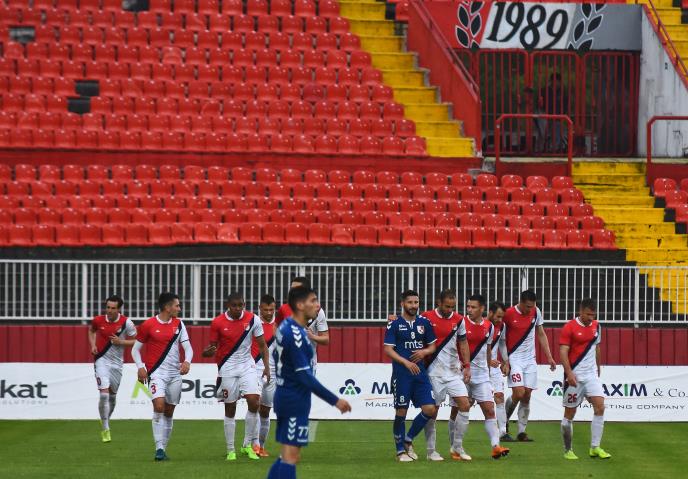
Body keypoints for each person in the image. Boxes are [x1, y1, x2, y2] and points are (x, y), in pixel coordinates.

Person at [266, 286, 351, 479]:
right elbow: (305, 376)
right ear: (300, 305)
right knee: (290, 456)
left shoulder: (287, 326)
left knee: (288, 455)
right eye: (313, 300)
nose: (317, 305)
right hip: (293, 400)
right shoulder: (296, 335)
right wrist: (335, 400)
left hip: (289, 397)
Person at [202, 292, 270, 461]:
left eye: (241, 305)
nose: (238, 308)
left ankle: (247, 446)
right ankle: (230, 449)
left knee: (254, 402)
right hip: (227, 369)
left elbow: (262, 345)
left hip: (247, 366)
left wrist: (267, 367)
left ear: (244, 305)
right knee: (230, 408)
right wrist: (207, 352)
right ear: (228, 306)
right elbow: (211, 348)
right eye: (234, 306)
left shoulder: (253, 319)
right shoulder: (218, 322)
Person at [132, 292, 193, 461]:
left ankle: (163, 449)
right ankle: (159, 448)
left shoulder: (179, 324)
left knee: (169, 411)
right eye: (177, 305)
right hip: (157, 373)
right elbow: (135, 350)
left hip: (175, 374)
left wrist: (187, 361)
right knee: (159, 406)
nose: (179, 309)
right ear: (167, 307)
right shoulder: (148, 325)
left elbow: (188, 348)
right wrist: (140, 367)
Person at [384, 289, 437, 462]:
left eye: (416, 302)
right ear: (402, 304)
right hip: (402, 375)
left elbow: (432, 346)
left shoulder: (424, 323)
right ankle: (400, 451)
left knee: (430, 409)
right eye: (410, 302)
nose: (414, 305)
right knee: (401, 411)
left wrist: (424, 352)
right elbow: (388, 349)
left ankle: (408, 439)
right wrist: (405, 362)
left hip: (420, 374)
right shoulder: (394, 324)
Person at [420, 288, 471, 461]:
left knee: (465, 404)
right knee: (432, 412)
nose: (450, 310)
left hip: (453, 372)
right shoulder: (426, 317)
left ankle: (457, 447)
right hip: (433, 373)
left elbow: (463, 343)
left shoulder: (459, 320)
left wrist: (467, 366)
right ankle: (431, 451)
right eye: (447, 306)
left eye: (453, 307)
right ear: (439, 303)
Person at [500, 290, 556, 442]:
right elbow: (502, 340)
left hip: (530, 360)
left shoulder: (536, 312)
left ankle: (521, 432)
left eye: (532, 306)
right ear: (521, 302)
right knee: (518, 392)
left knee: (527, 395)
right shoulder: (509, 314)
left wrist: (549, 357)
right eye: (527, 307)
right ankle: (503, 423)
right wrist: (506, 361)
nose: (530, 309)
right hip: (514, 359)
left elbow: (541, 334)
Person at [560, 298, 611, 460]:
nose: (591, 318)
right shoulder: (569, 327)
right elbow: (563, 352)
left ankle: (595, 447)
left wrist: (598, 367)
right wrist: (569, 373)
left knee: (600, 407)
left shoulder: (596, 326)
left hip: (591, 375)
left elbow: (596, 347)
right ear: (580, 311)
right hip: (575, 376)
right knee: (569, 414)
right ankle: (568, 450)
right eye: (588, 314)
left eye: (593, 315)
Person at [460, 294, 510, 460]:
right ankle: (456, 446)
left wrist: (489, 369)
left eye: (473, 307)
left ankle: (496, 446)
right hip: (463, 373)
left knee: (489, 409)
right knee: (459, 410)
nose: (469, 310)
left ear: (482, 308)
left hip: (482, 375)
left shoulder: (489, 327)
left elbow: (488, 350)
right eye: (468, 306)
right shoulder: (461, 323)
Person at [88, 294, 136, 443]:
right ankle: (105, 428)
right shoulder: (98, 320)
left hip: (117, 364)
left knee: (112, 396)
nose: (109, 310)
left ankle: (105, 419)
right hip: (101, 360)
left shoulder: (126, 323)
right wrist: (93, 345)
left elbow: (138, 341)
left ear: (119, 309)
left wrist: (121, 342)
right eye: (108, 307)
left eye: (113, 308)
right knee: (103, 394)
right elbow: (91, 331)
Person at [275, 276, 329, 373]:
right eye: (291, 289)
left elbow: (326, 339)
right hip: (287, 363)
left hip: (308, 363)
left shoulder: (318, 311)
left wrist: (312, 336)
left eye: (296, 289)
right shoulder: (284, 309)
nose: (292, 292)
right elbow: (275, 329)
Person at [252, 294, 277, 457]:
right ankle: (252, 445)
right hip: (254, 370)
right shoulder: (253, 323)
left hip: (273, 373)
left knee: (266, 411)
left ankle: (261, 446)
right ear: (260, 308)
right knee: (254, 406)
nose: (268, 313)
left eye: (271, 310)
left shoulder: (281, 325)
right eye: (265, 309)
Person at [487, 301, 510, 440]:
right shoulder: (482, 325)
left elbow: (502, 343)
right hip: (480, 368)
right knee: (468, 402)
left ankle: (503, 432)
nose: (500, 319)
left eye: (502, 317)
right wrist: (488, 360)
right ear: (490, 313)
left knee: (500, 396)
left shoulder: (502, 326)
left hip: (495, 367)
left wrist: (506, 362)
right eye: (498, 316)